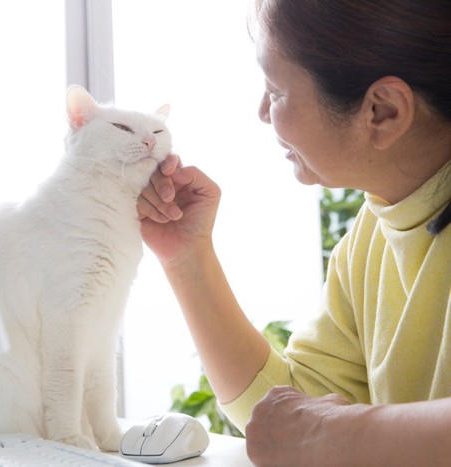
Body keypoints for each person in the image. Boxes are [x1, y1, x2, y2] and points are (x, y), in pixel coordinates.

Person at [137, 0, 451, 465]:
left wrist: (337, 434)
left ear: (382, 112)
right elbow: (288, 417)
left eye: (276, 90)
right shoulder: (371, 236)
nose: (263, 111)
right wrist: (188, 259)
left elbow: (317, 432)